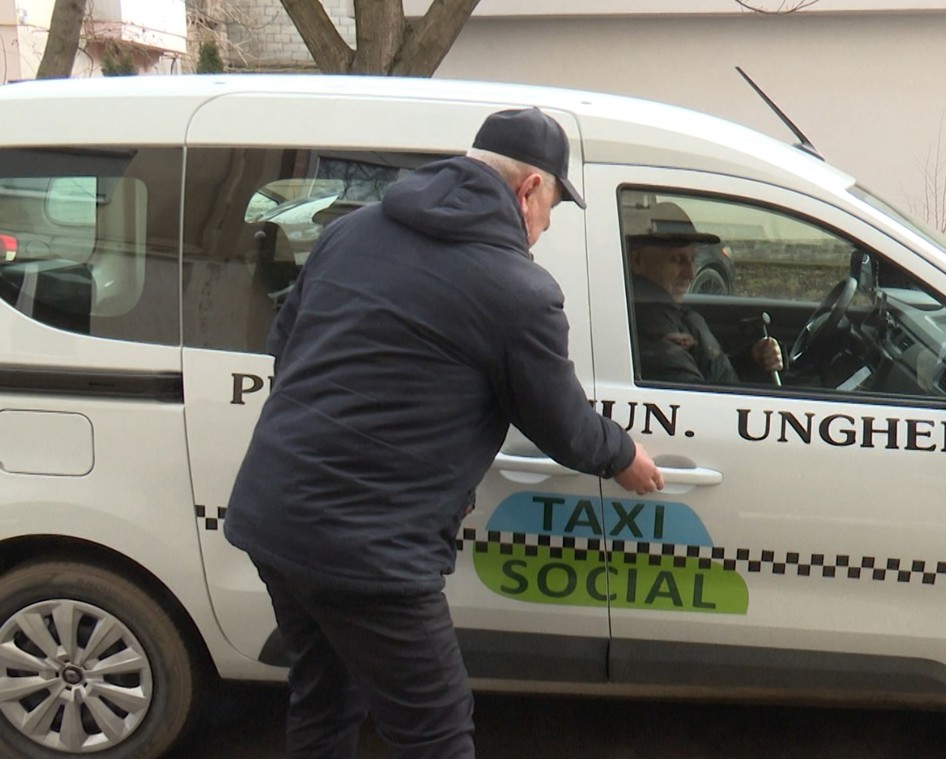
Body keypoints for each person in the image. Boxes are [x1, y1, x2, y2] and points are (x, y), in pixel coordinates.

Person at [224, 107, 664, 758]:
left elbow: (286, 346)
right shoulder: (517, 290)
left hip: (273, 519)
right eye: (551, 208)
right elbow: (563, 425)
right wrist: (625, 453)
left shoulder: (353, 233)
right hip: (372, 552)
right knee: (434, 730)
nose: (543, 229)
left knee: (324, 698)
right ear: (527, 189)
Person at [625, 201, 783, 383]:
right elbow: (693, 395)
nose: (690, 273)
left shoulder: (666, 313)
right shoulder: (651, 324)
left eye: (693, 259)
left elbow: (707, 376)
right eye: (677, 260)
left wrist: (751, 361)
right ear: (637, 261)